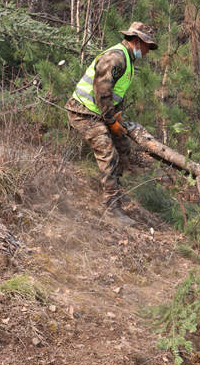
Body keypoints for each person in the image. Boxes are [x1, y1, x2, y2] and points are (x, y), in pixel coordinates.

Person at [65, 21, 157, 222]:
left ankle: (114, 187)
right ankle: (111, 206)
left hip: (99, 112)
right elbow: (102, 91)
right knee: (107, 152)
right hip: (83, 112)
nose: (148, 51)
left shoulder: (128, 59)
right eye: (147, 46)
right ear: (136, 41)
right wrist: (111, 121)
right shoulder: (116, 58)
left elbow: (116, 92)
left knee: (123, 146)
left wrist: (117, 116)